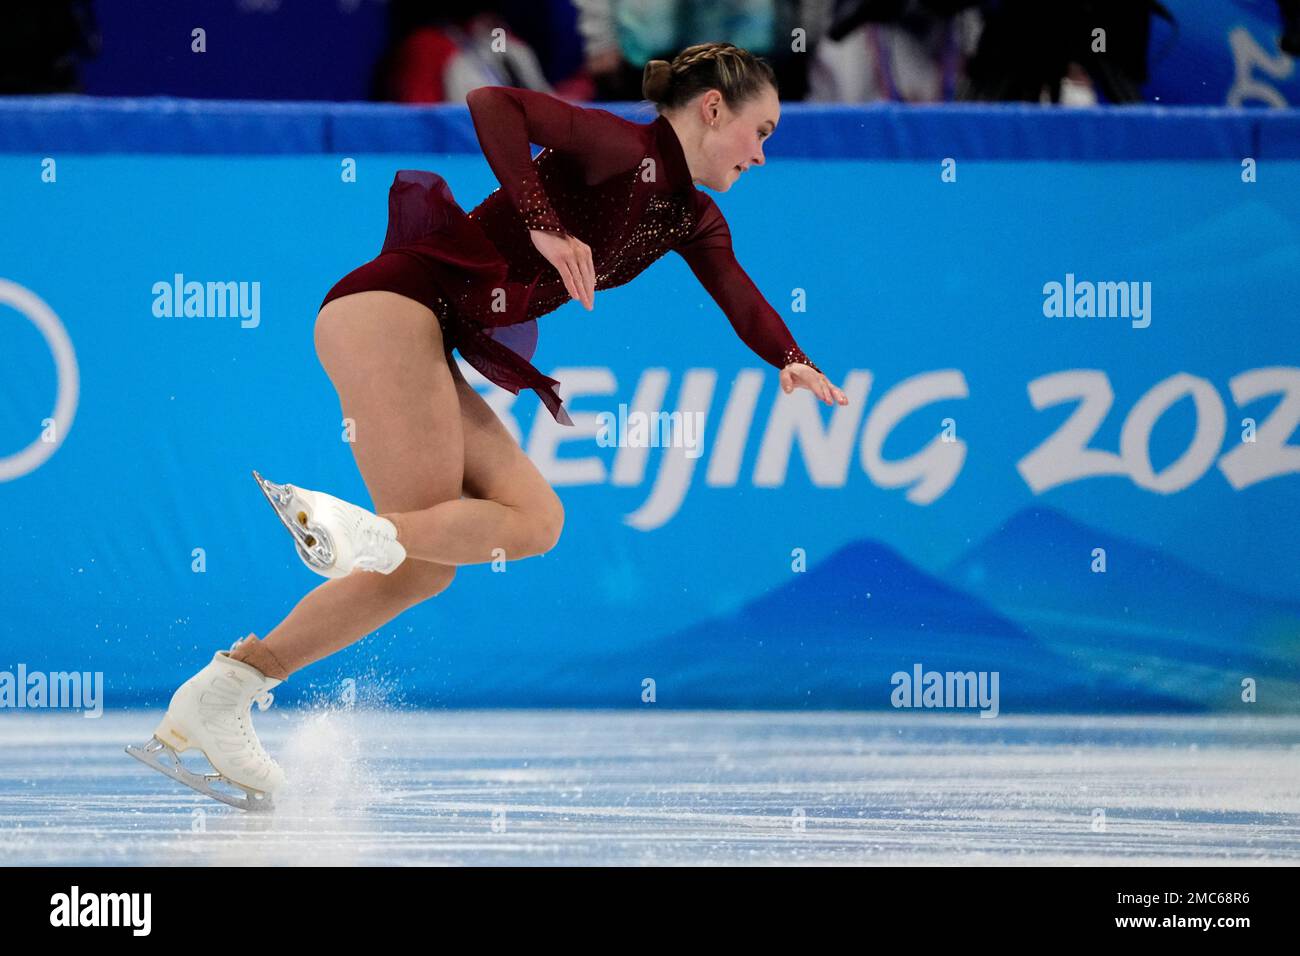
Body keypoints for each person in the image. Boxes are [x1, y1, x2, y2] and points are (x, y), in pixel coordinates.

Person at [126, 41, 849, 810]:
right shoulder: (621, 146)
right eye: (762, 130)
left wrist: (790, 357)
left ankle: (229, 685)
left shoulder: (690, 216)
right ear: (712, 109)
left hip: (423, 331)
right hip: (390, 308)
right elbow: (492, 104)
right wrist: (542, 223)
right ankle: (334, 559)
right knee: (422, 548)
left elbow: (737, 291)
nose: (764, 155)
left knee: (525, 525)